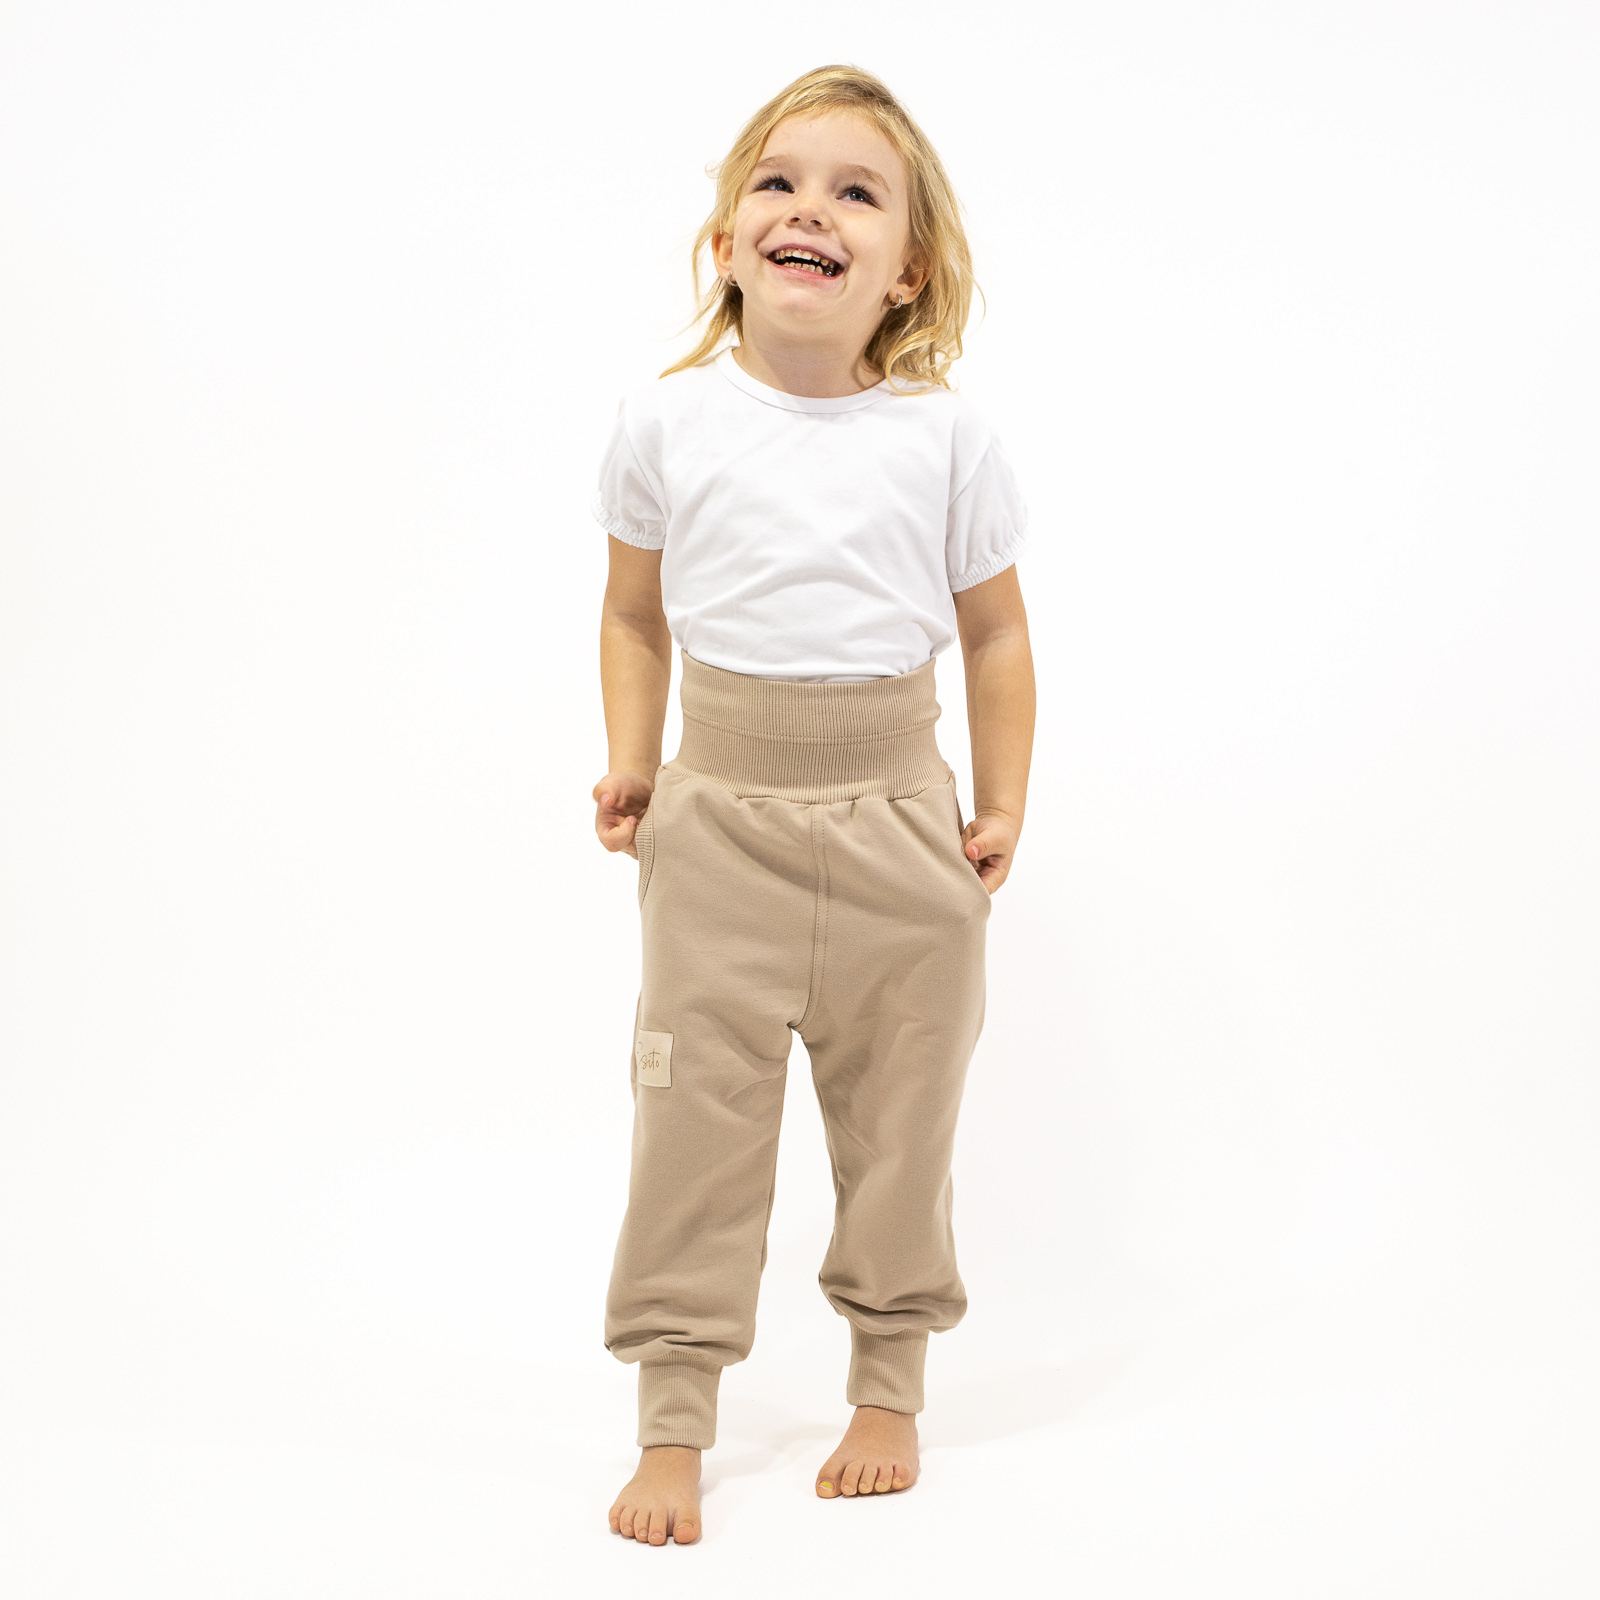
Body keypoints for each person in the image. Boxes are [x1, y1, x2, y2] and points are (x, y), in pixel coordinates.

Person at [590, 64, 1035, 1546]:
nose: (811, 209)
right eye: (777, 183)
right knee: (692, 1127)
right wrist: (636, 760)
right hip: (719, 823)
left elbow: (996, 635)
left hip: (902, 824)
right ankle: (672, 1418)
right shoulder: (666, 425)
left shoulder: (943, 437)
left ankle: (888, 1387)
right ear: (727, 240)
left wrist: (1000, 803)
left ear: (907, 270)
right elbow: (635, 614)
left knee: (903, 1120)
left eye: (857, 192)